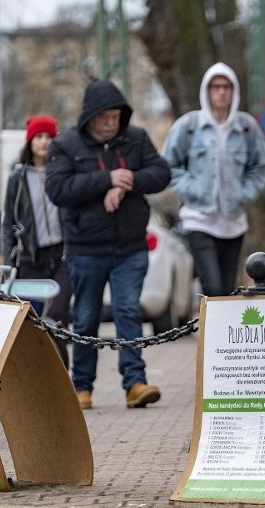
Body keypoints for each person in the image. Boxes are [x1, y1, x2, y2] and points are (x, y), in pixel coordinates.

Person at [46, 79, 172, 410]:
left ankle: (135, 383)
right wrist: (106, 180)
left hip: (130, 246)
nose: (111, 123)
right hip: (85, 248)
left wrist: (127, 181)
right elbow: (58, 189)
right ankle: (82, 387)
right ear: (90, 117)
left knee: (128, 310)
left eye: (116, 116)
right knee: (85, 318)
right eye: (104, 118)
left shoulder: (136, 139)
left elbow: (160, 173)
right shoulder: (66, 145)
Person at [162, 62, 265, 297]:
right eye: (215, 87)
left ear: (234, 91)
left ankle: (221, 334)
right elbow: (167, 166)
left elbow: (259, 167)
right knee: (212, 287)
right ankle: (207, 333)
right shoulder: (189, 126)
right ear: (206, 91)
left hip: (233, 221)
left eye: (226, 87)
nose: (221, 92)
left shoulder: (246, 128)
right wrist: (192, 188)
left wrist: (245, 192)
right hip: (198, 218)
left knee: (227, 289)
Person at [1, 115, 72, 364]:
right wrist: (9, 259)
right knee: (29, 321)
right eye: (39, 137)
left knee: (58, 315)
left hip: (61, 256)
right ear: (29, 141)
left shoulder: (63, 173)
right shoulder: (17, 179)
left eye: (50, 137)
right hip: (30, 257)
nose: (44, 142)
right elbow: (8, 222)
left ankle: (63, 375)